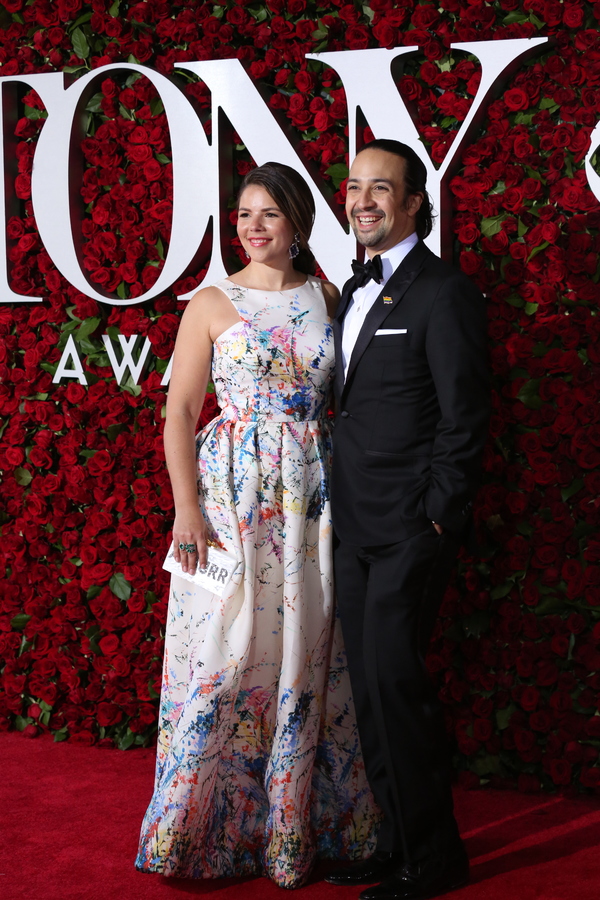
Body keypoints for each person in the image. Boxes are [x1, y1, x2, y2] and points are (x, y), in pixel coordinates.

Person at [135, 162, 378, 888]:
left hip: (313, 499)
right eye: (244, 215)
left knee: (307, 651)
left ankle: (297, 825)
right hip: (228, 501)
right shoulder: (211, 302)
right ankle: (200, 821)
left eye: (269, 213)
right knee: (222, 650)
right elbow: (180, 412)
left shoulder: (329, 297)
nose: (254, 226)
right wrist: (185, 509)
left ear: (298, 223)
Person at [325, 140, 490, 900]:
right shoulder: (351, 289)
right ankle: (396, 844)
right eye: (355, 187)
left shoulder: (442, 291)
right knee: (369, 694)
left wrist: (437, 519)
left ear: (414, 202)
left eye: (381, 188)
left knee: (397, 685)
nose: (364, 201)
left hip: (408, 531)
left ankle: (433, 858)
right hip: (352, 527)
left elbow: (465, 417)